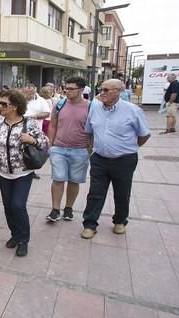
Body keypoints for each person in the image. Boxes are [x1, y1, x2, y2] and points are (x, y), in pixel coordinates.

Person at [81, 79, 150, 239]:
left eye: (106, 90)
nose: (102, 93)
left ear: (119, 91)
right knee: (95, 193)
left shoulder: (132, 110)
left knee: (122, 192)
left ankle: (119, 221)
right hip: (99, 158)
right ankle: (90, 224)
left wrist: (130, 148)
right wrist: (90, 148)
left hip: (124, 160)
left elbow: (144, 134)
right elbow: (89, 131)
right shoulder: (95, 108)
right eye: (101, 89)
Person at [0, 89, 48, 256]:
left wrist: (32, 140)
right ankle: (15, 234)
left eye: (3, 104)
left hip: (23, 172)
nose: (0, 106)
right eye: (0, 103)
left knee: (18, 206)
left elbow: (44, 142)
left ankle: (23, 240)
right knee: (8, 207)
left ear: (14, 106)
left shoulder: (28, 124)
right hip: (3, 172)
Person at [46, 77, 91, 223]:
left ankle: (69, 208)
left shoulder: (90, 107)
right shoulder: (59, 104)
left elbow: (94, 129)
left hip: (80, 150)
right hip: (59, 148)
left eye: (71, 89)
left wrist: (89, 148)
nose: (67, 91)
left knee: (74, 181)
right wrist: (51, 145)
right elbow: (52, 125)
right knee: (58, 179)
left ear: (81, 90)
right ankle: (55, 210)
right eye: (66, 88)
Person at [24, 83, 51, 179]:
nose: (29, 94)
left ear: (35, 90)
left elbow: (47, 113)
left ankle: (32, 170)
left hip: (34, 131)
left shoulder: (41, 101)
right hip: (20, 129)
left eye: (31, 91)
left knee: (32, 151)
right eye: (27, 92)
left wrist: (33, 116)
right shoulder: (21, 99)